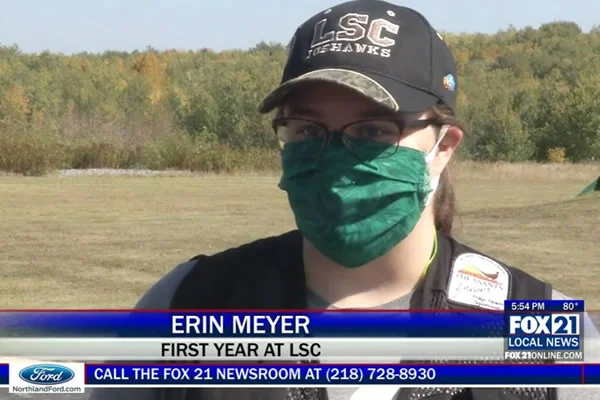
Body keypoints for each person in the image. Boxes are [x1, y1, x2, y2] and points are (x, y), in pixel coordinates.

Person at [89, 1, 599, 399]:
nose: (335, 160)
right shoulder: (191, 301)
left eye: (374, 130)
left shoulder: (540, 330)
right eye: (308, 129)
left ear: (442, 147)